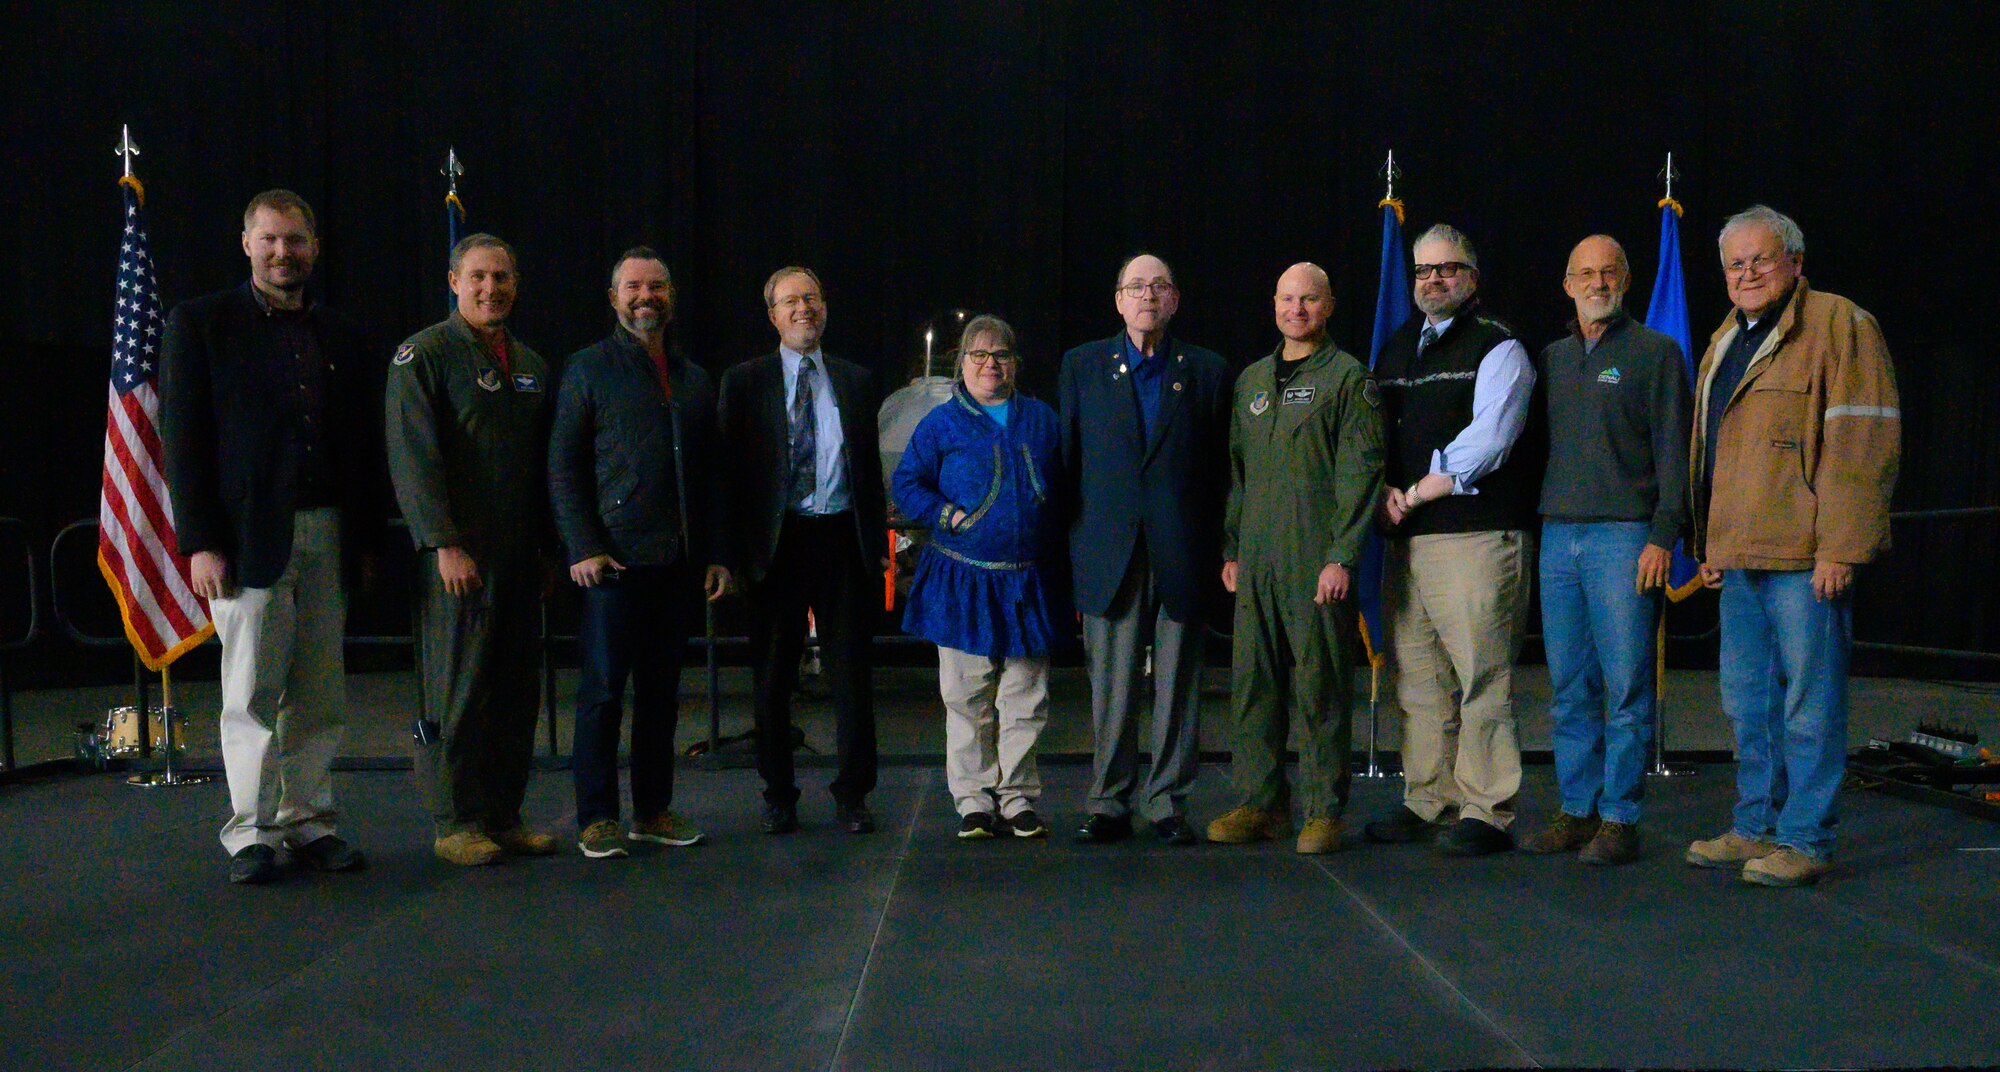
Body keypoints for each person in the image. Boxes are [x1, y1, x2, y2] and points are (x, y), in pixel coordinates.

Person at [160, 189, 381, 886]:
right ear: (247, 243)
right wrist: (199, 540)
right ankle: (249, 833)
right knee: (250, 693)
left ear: (314, 249)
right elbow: (184, 441)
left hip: (329, 532)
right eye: (271, 239)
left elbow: (363, 448)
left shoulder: (342, 335)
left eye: (296, 241)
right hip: (243, 541)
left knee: (319, 695)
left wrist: (365, 540)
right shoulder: (200, 325)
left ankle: (309, 821)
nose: (284, 252)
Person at [1684, 205, 1900, 887]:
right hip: (1740, 556)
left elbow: (1862, 443)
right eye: (1735, 264)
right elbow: (1711, 453)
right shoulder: (1726, 338)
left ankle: (1805, 838)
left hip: (1807, 560)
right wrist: (1708, 543)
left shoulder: (1841, 324)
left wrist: (1841, 547)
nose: (1747, 273)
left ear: (1795, 262)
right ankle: (1755, 827)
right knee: (1748, 704)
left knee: (1809, 705)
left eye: (1761, 258)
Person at [1365, 223, 1540, 857]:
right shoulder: (1396, 348)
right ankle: (1427, 797)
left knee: (1479, 677)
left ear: (1472, 277)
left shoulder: (1500, 346)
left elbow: (1491, 438)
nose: (1432, 280)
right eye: (1422, 271)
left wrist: (1412, 493)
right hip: (1407, 540)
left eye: (1447, 269)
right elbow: (1374, 435)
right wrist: (1381, 490)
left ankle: (1487, 808)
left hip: (1475, 535)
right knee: (1417, 677)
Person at [549, 247, 730, 860]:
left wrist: (712, 554)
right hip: (612, 564)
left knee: (660, 695)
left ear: (671, 296)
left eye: (656, 286)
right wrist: (583, 546)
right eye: (633, 287)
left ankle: (652, 811)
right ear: (613, 297)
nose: (645, 296)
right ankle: (596, 818)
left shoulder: (694, 378)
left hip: (676, 565)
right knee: (602, 693)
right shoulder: (587, 369)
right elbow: (564, 466)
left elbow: (709, 476)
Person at [385, 233, 559, 866]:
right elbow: (413, 459)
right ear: (454, 280)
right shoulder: (424, 355)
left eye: (503, 278)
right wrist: (442, 543)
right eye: (479, 277)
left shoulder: (534, 364)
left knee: (516, 689)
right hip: (458, 558)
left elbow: (543, 469)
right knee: (456, 687)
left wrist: (546, 550)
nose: (492, 289)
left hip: (519, 555)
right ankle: (453, 820)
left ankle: (503, 814)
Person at [1523, 235, 1691, 866]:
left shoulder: (1656, 352)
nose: (1598, 283)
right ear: (1567, 284)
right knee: (1568, 684)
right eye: (1585, 274)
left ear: (1626, 279)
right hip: (1558, 533)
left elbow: (1676, 453)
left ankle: (1620, 816)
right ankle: (1577, 807)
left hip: (1625, 536)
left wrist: (1661, 538)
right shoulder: (1555, 358)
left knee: (1624, 685)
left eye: (1609, 272)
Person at [1206, 263, 1385, 854]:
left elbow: (1361, 475)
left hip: (1315, 557)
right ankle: (1261, 802)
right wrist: (1232, 546)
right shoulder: (1252, 381)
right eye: (1287, 299)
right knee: (1253, 684)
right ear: (1274, 304)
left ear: (1329, 305)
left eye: (1309, 299)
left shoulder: (1348, 379)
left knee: (1319, 685)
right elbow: (1236, 473)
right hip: (1256, 557)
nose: (1297, 310)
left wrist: (1342, 557)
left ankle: (1323, 810)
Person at [1058, 254, 1232, 845]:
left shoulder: (1208, 371)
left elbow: (1221, 474)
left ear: (1176, 299)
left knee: (1180, 681)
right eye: (1136, 286)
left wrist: (1224, 546)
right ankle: (1108, 800)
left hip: (1184, 548)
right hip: (1109, 551)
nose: (1148, 296)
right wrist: (1070, 554)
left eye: (1160, 286)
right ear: (1117, 300)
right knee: (1112, 683)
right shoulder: (1081, 366)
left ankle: (1166, 803)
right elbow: (1069, 464)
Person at [717, 267, 887, 835]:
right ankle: (778, 794)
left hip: (842, 541)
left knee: (852, 678)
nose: (802, 309)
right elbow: (729, 477)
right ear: (772, 315)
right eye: (790, 301)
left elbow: (869, 473)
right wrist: (730, 553)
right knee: (771, 679)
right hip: (776, 544)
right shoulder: (744, 382)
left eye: (811, 297)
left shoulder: (858, 381)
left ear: (825, 307)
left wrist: (877, 548)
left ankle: (853, 795)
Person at [894, 315, 1067, 839]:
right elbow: (908, 482)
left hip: (1029, 581)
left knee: (1025, 696)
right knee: (967, 696)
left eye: (1001, 355)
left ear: (1015, 363)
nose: (990, 364)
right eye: (979, 355)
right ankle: (973, 800)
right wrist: (948, 516)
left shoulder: (1041, 419)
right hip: (962, 580)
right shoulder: (940, 424)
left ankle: (1017, 798)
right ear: (961, 364)